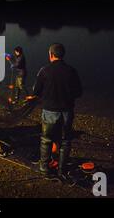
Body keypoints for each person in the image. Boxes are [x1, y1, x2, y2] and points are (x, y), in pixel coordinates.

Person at [27, 43, 82, 178]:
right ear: (62, 55)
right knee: (65, 140)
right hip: (66, 112)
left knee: (46, 139)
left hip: (50, 111)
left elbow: (36, 91)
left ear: (51, 55)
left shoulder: (44, 70)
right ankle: (61, 170)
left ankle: (44, 168)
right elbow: (79, 92)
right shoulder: (72, 71)